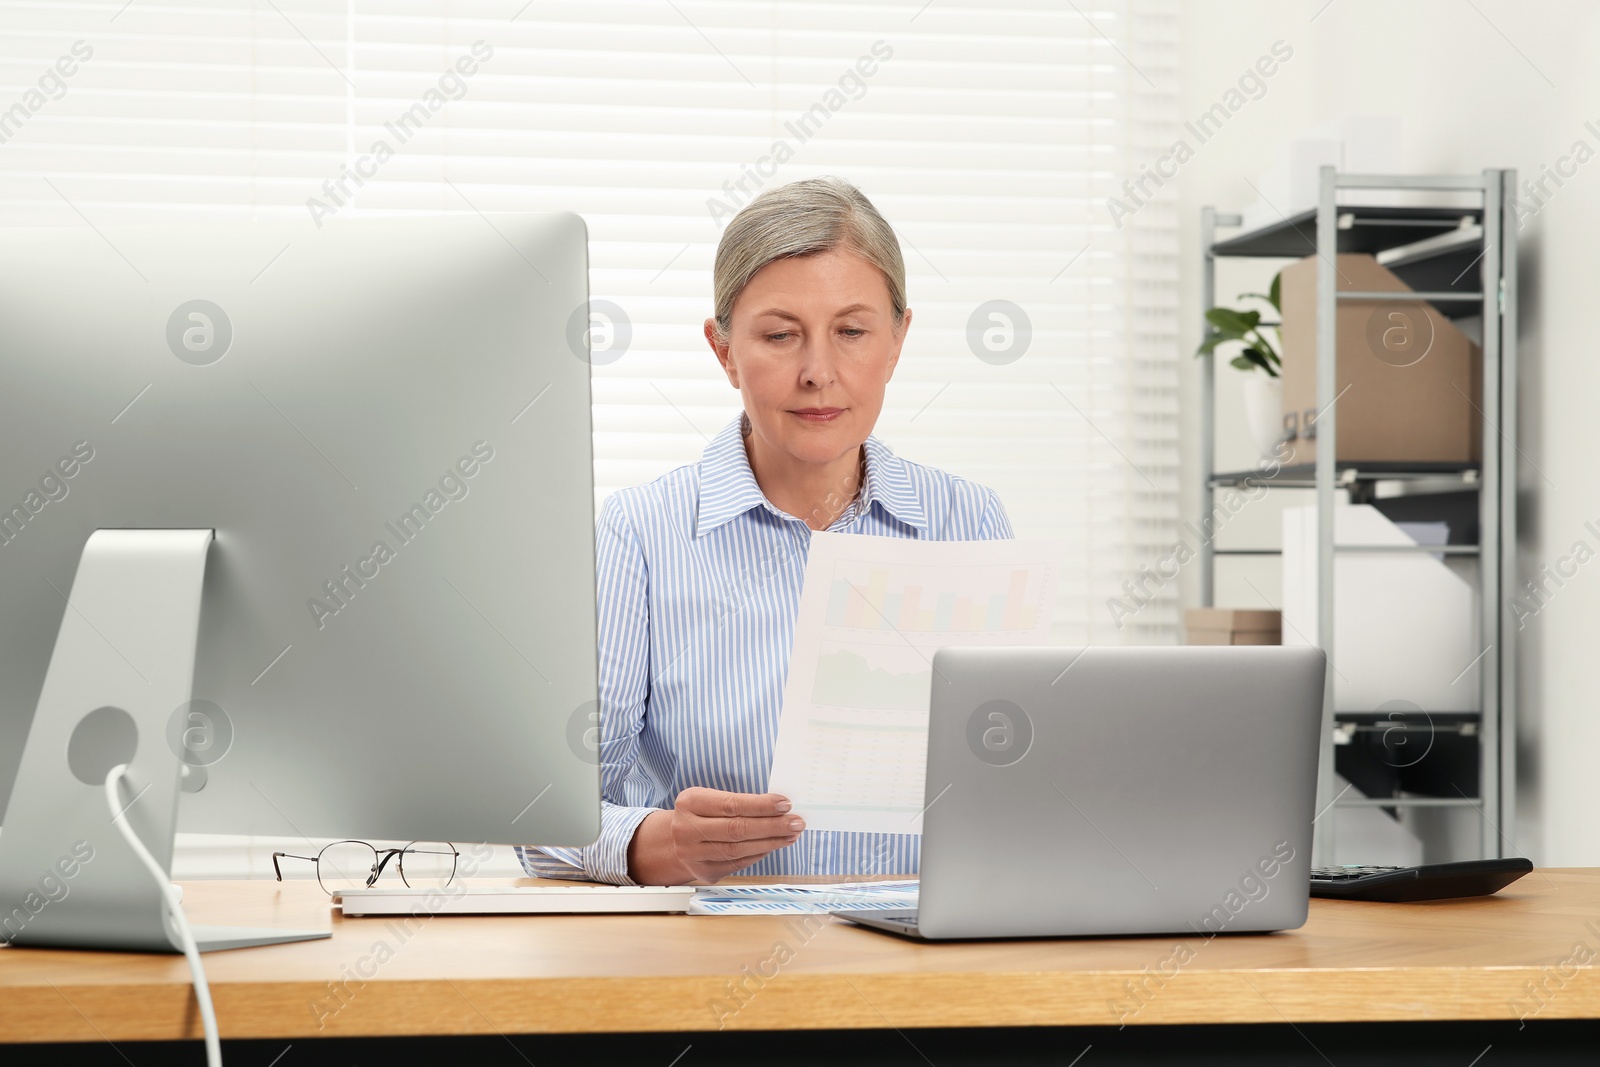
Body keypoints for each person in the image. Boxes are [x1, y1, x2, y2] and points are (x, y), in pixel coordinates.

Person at [519, 176, 1014, 885]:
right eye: (781, 335)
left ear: (898, 341)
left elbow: (1012, 782)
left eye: (852, 332)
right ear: (723, 349)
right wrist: (658, 842)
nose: (818, 373)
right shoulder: (642, 534)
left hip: (921, 965)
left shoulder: (970, 523)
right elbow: (544, 816)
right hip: (714, 963)